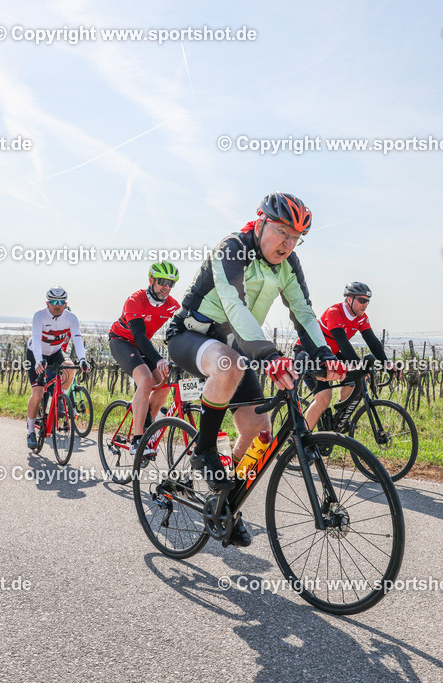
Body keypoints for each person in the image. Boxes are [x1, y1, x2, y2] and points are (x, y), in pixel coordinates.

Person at [165, 192, 346, 547]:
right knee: (228, 364)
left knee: (261, 432)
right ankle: (204, 451)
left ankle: (223, 502)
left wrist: (325, 354)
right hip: (191, 335)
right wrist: (268, 355)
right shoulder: (231, 248)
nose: (288, 243)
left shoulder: (289, 265)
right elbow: (233, 305)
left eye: (296, 238)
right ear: (260, 222)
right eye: (281, 232)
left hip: (237, 346)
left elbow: (304, 313)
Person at [109, 262, 181, 461]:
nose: (166, 287)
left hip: (142, 344)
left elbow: (180, 331)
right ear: (151, 280)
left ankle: (147, 420)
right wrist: (158, 359)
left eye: (171, 284)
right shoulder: (135, 300)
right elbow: (139, 336)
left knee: (165, 383)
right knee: (147, 380)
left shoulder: (173, 305)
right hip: (122, 341)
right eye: (163, 282)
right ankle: (137, 439)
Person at [300, 282, 398, 429]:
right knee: (324, 398)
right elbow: (342, 342)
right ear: (349, 299)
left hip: (329, 354)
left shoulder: (361, 317)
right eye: (362, 300)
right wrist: (359, 365)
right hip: (308, 353)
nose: (365, 305)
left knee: (353, 378)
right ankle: (300, 441)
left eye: (367, 301)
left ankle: (339, 417)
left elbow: (372, 341)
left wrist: (387, 363)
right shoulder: (334, 312)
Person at [25, 287, 90, 450]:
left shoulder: (71, 318)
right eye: (53, 301)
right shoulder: (39, 316)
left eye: (61, 302)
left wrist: (82, 359)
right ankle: (31, 430)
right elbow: (36, 337)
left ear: (65, 304)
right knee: (38, 393)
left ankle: (60, 399)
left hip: (55, 352)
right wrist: (39, 361)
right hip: (35, 353)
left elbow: (77, 338)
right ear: (47, 303)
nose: (57, 305)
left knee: (69, 368)